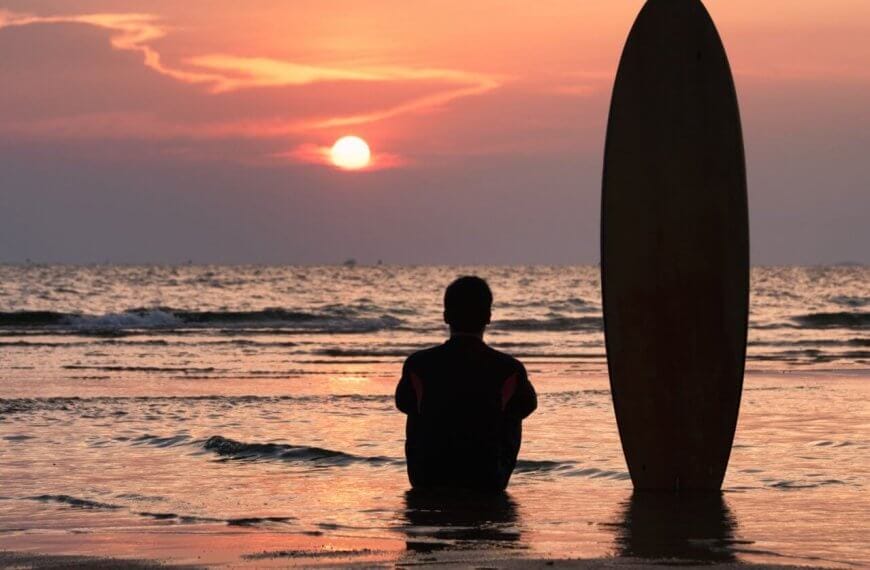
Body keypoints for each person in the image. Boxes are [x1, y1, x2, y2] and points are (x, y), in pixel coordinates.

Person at [395, 276, 537, 491]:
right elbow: (528, 406)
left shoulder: (418, 364)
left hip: (427, 477)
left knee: (419, 408)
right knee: (511, 407)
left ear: (446, 317)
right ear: (488, 317)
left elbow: (404, 404)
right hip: (487, 478)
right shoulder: (509, 368)